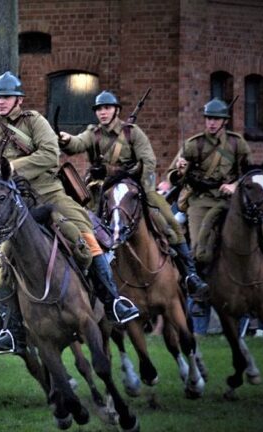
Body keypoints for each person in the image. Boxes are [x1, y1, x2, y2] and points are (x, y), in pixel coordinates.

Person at [0, 72, 139, 354]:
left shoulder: (35, 122)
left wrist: (10, 168)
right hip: (12, 205)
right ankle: (10, 329)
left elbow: (49, 155)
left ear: (19, 99)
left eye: (6, 98)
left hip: (48, 194)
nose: (0, 103)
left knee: (84, 234)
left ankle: (112, 301)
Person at [59, 90, 208, 307]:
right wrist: (65, 139)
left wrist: (145, 191)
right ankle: (84, 276)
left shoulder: (132, 133)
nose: (103, 112)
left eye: (107, 108)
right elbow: (77, 144)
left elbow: (148, 161)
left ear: (116, 110)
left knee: (170, 223)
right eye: (99, 109)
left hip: (133, 189)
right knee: (80, 225)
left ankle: (190, 276)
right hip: (101, 190)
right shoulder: (93, 133)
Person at [168, 97, 252, 310]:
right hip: (201, 200)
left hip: (230, 201)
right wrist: (180, 170)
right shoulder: (193, 144)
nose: (211, 123)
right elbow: (172, 177)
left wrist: (235, 185)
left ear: (225, 121)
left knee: (258, 237)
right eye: (208, 119)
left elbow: (253, 173)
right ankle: (199, 290)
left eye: (216, 119)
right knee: (199, 249)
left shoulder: (236, 143)